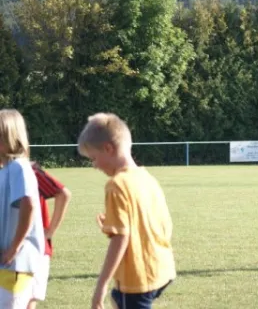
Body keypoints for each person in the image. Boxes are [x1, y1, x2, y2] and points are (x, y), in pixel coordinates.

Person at [76, 112, 176, 309]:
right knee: (118, 297)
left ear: (108, 149)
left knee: (119, 297)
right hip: (162, 267)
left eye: (94, 158)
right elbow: (163, 222)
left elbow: (120, 239)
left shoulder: (117, 185)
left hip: (137, 278)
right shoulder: (146, 178)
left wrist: (101, 286)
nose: (94, 166)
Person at [0, 109, 45, 308]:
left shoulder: (19, 166)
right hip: (8, 263)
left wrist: (14, 248)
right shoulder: (8, 169)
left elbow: (29, 203)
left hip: (17, 263)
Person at [28, 162, 72, 309]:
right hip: (14, 249)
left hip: (31, 249)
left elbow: (63, 193)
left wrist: (49, 231)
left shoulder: (28, 171)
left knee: (27, 301)